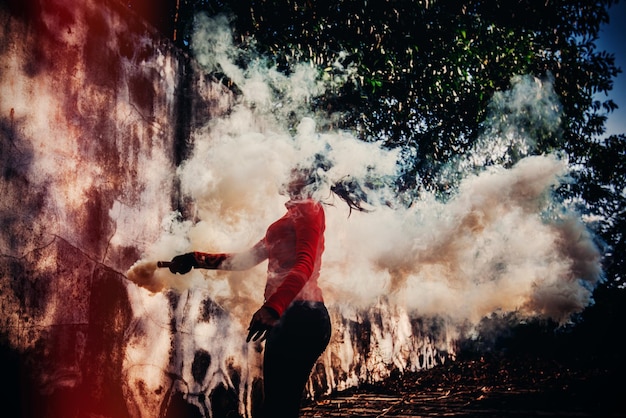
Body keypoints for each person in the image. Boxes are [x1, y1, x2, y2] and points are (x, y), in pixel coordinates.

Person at [167, 165, 366, 417]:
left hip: (301, 316)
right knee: (279, 405)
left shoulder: (309, 208)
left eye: (298, 168)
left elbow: (304, 264)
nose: (289, 169)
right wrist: (194, 259)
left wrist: (273, 307)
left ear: (308, 176)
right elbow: (246, 260)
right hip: (292, 317)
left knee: (277, 407)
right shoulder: (292, 216)